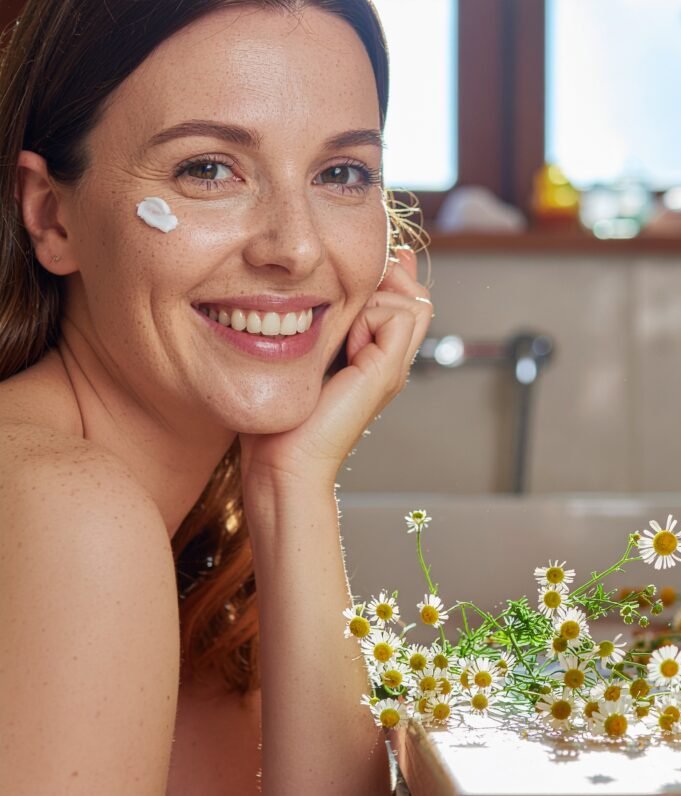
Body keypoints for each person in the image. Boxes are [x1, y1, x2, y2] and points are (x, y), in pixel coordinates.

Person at [0, 1, 432, 793]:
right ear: (50, 215)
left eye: (342, 174)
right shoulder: (72, 514)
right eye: (207, 169)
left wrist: (292, 483)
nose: (294, 248)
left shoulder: (207, 549)